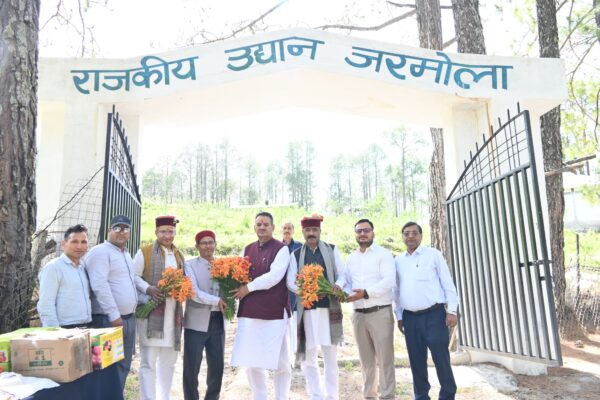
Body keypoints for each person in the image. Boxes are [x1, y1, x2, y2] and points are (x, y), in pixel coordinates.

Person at [230, 211, 292, 400]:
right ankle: (259, 396)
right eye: (259, 224)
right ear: (254, 227)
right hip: (250, 312)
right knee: (251, 360)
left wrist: (248, 288)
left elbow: (274, 276)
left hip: (274, 312)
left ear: (273, 227)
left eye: (266, 224)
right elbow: (237, 274)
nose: (262, 227)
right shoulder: (247, 249)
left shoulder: (282, 249)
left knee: (281, 362)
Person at [394, 222, 458, 400]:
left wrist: (452, 310)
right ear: (403, 237)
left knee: (441, 358)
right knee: (416, 361)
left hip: (434, 316)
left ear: (421, 236)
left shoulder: (433, 255)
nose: (410, 237)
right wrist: (399, 316)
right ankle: (421, 396)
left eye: (414, 233)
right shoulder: (398, 261)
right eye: (406, 233)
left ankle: (448, 395)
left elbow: (447, 283)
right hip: (410, 318)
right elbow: (396, 291)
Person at [335, 218, 396, 400]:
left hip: (380, 312)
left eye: (366, 230)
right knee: (366, 360)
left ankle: (387, 396)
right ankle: (369, 395)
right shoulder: (351, 258)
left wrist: (366, 293)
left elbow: (389, 281)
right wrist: (342, 292)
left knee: (385, 359)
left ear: (373, 233)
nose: (362, 234)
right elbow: (347, 281)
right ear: (355, 234)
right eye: (359, 231)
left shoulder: (383, 254)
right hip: (358, 315)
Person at [287, 215, 344, 400]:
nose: (311, 233)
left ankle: (331, 396)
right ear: (303, 232)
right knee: (309, 357)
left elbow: (342, 274)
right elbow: (290, 281)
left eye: (314, 230)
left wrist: (337, 286)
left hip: (328, 310)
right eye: (308, 230)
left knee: (330, 356)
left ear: (320, 231)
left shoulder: (332, 250)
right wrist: (308, 291)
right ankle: (316, 395)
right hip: (307, 312)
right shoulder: (296, 254)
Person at [134, 215, 185, 400]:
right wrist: (148, 288)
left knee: (169, 363)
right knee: (148, 363)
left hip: (174, 315)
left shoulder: (178, 254)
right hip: (152, 315)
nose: (167, 235)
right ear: (156, 232)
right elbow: (133, 276)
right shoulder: (145, 252)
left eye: (170, 231)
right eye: (163, 231)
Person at [87, 214, 138, 391]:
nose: (121, 232)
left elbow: (131, 281)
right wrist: (114, 316)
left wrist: (148, 290)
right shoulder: (100, 252)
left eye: (125, 229)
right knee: (105, 369)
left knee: (123, 366)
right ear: (109, 230)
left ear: (129, 232)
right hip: (108, 321)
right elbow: (99, 285)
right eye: (117, 228)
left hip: (128, 319)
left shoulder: (125, 254)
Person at [183, 230, 227, 400]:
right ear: (197, 246)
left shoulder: (224, 265)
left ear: (216, 245)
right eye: (204, 243)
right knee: (192, 366)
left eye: (211, 242)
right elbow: (194, 293)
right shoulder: (189, 265)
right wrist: (217, 301)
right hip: (196, 322)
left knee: (217, 366)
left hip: (217, 321)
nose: (208, 246)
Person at [37, 224, 92, 328]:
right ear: (63, 244)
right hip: (64, 329)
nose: (79, 246)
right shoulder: (53, 267)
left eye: (83, 242)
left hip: (86, 327)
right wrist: (54, 331)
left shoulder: (83, 267)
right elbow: (45, 304)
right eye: (74, 242)